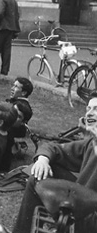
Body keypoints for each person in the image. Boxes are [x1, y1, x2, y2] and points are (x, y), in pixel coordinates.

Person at [12, 93, 97, 233]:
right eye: (88, 109)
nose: (89, 113)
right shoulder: (90, 143)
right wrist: (43, 159)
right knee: (38, 178)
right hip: (82, 202)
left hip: (91, 215)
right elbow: (52, 147)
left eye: (95, 109)